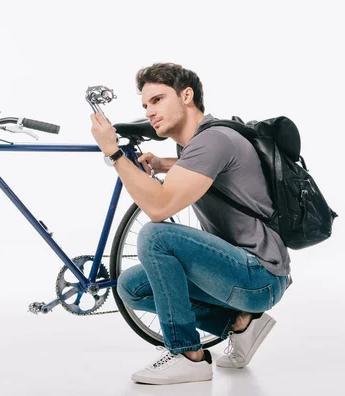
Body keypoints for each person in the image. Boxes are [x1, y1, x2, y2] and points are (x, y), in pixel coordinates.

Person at [89, 62, 291, 385]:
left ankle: (188, 355)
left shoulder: (213, 142)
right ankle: (241, 324)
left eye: (157, 100)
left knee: (155, 237)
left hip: (259, 273)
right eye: (144, 105)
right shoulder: (194, 145)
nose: (149, 112)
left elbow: (159, 207)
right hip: (242, 271)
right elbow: (199, 167)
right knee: (131, 287)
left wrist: (113, 152)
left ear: (187, 96)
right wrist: (164, 163)